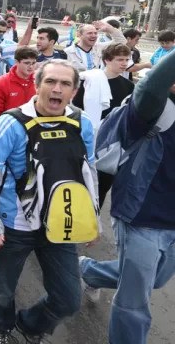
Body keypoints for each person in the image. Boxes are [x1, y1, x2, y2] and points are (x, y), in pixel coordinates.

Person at [0, 60, 97, 343]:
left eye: (65, 84)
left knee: (69, 299)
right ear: (37, 85)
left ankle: (29, 325)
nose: (57, 89)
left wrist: (93, 219)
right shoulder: (8, 124)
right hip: (16, 225)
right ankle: (1, 326)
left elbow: (88, 173)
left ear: (74, 91)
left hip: (61, 223)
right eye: (50, 82)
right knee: (4, 289)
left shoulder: (83, 124)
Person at [79, 49, 175, 344]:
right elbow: (150, 85)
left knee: (155, 280)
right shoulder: (153, 109)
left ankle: (88, 271)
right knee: (135, 300)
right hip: (141, 216)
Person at [72, 43, 134, 208]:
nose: (124, 63)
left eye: (127, 59)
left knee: (102, 186)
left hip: (111, 143)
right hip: (84, 138)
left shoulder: (129, 86)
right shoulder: (88, 80)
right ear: (106, 60)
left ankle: (93, 218)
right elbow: (77, 110)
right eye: (120, 59)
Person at [0, 46, 39, 121]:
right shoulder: (1, 83)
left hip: (35, 127)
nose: (31, 66)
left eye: (33, 63)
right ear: (16, 62)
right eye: (27, 63)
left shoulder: (39, 81)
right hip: (10, 126)